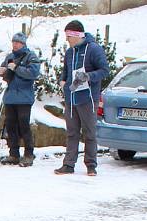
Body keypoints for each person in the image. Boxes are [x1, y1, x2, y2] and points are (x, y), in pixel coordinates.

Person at [55, 20, 109, 177]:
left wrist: (88, 76)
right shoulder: (70, 52)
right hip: (71, 97)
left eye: (68, 36)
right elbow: (65, 72)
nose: (67, 40)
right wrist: (62, 81)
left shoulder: (94, 49)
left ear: (76, 35)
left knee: (89, 132)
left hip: (87, 97)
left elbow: (104, 70)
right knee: (72, 132)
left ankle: (91, 165)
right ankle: (68, 164)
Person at [0, 32, 40, 167]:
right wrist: (1, 71)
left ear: (23, 43)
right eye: (13, 42)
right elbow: (2, 70)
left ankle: (29, 153)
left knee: (24, 126)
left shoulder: (31, 56)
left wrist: (16, 68)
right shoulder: (9, 57)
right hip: (10, 97)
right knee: (10, 126)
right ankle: (14, 153)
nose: (15, 45)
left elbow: (33, 73)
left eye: (18, 42)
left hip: (24, 97)